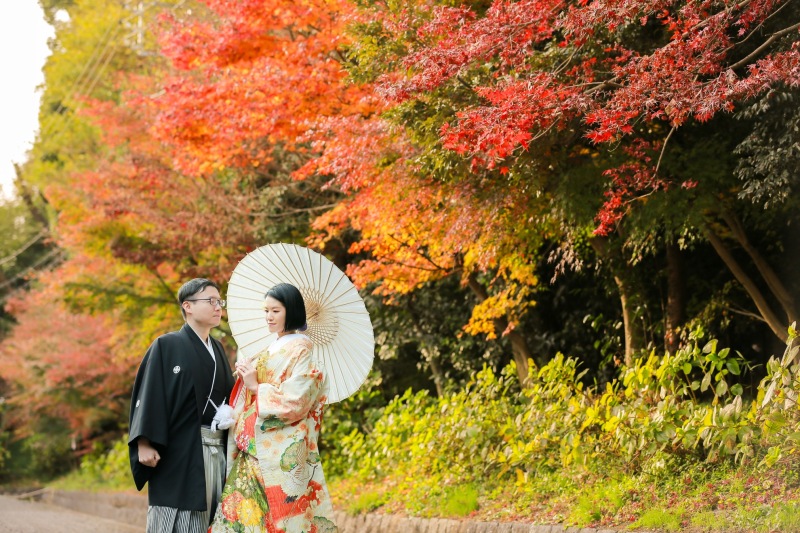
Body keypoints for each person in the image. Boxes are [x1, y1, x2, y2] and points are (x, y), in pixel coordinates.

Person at [209, 282, 338, 533]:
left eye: (275, 311)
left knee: (271, 519)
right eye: (266, 310)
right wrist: (246, 378)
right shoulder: (269, 348)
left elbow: (297, 401)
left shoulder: (302, 351)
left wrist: (257, 387)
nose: (268, 317)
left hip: (277, 448)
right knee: (241, 516)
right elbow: (253, 387)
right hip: (252, 443)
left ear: (291, 311)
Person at [129, 278, 237, 533]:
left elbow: (230, 397)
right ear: (187, 306)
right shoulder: (166, 345)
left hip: (216, 450)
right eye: (210, 301)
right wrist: (144, 441)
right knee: (175, 517)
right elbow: (149, 392)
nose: (217, 306)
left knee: (213, 514)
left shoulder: (218, 350)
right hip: (179, 449)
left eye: (219, 301)